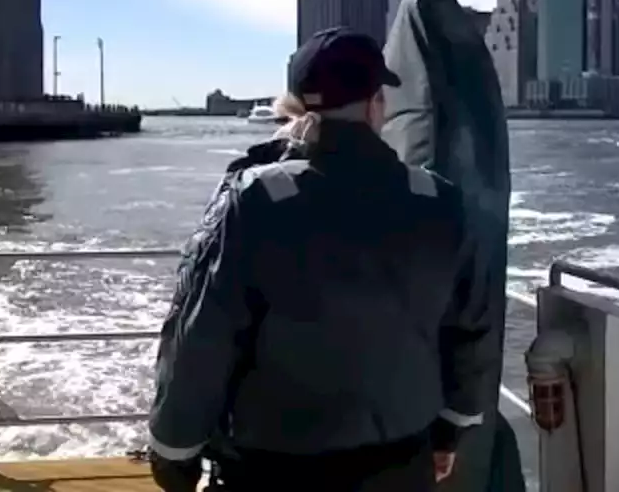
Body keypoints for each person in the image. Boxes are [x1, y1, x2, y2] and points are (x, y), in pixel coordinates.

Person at [148, 27, 499, 492]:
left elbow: (202, 338)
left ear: (298, 107)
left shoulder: (256, 200)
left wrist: (175, 451)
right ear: (378, 103)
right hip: (400, 464)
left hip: (275, 470)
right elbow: (472, 331)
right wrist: (450, 430)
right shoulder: (441, 202)